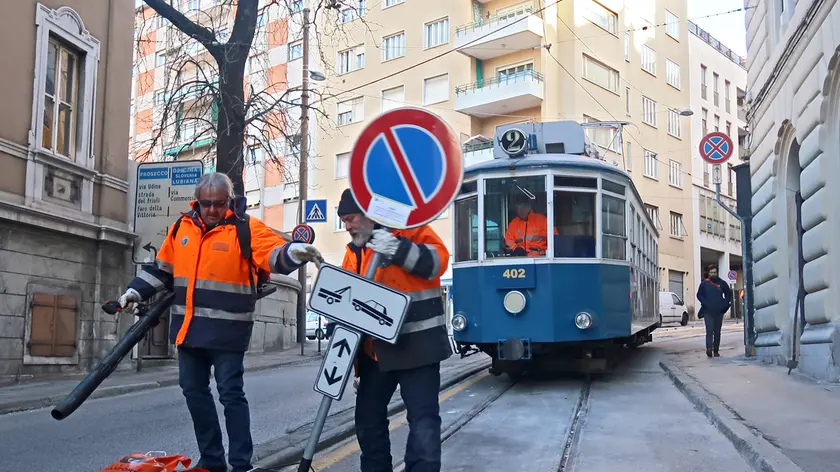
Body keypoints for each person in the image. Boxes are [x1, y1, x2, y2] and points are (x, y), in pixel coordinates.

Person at [117, 173, 322, 472]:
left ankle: (241, 464)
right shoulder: (182, 227)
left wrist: (293, 252)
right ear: (197, 201)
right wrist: (134, 291)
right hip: (189, 332)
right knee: (193, 392)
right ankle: (212, 460)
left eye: (219, 203)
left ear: (229, 201)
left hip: (228, 332)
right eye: (206, 203)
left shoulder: (246, 228)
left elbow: (273, 254)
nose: (212, 210)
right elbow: (162, 269)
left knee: (230, 394)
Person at [334, 188, 452, 472]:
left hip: (418, 348)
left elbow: (438, 261)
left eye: (350, 219)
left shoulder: (411, 230)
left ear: (368, 215)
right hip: (375, 355)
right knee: (368, 420)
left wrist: (396, 249)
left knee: (423, 420)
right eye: (344, 221)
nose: (347, 227)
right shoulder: (353, 253)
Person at [696, 264, 733, 358]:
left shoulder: (722, 283)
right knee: (709, 330)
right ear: (708, 273)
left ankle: (716, 350)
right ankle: (709, 348)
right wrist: (705, 303)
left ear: (717, 273)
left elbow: (728, 294)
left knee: (717, 331)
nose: (713, 274)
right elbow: (699, 295)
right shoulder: (704, 284)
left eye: (715, 272)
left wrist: (724, 303)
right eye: (711, 272)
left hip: (719, 312)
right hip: (708, 311)